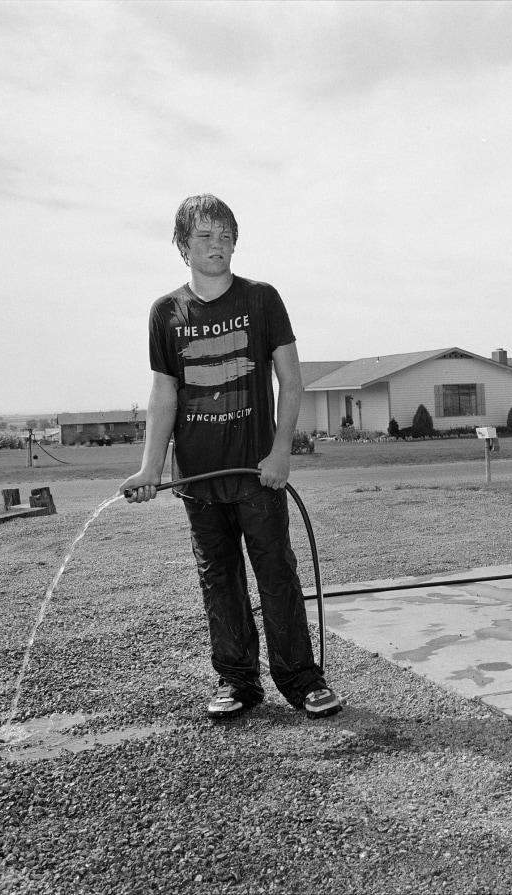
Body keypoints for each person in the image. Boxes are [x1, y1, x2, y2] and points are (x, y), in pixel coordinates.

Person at [122, 194, 342, 721]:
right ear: (182, 245)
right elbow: (165, 395)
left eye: (225, 236)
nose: (216, 245)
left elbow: (292, 381)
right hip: (198, 478)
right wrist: (152, 467)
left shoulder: (262, 300)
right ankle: (237, 682)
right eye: (204, 236)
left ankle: (302, 680)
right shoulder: (165, 313)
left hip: (255, 473)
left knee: (277, 574)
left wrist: (281, 452)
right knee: (218, 579)